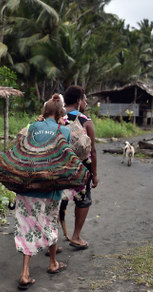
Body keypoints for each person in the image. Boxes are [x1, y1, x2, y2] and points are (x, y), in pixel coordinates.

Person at [15, 94, 71, 290]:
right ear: (61, 113)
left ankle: (24, 273)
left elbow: (22, 148)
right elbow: (66, 159)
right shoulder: (64, 130)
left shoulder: (32, 127)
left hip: (27, 184)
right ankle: (53, 263)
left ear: (45, 111)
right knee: (49, 222)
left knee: (26, 227)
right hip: (51, 186)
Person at [59, 85, 99, 249]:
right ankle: (76, 236)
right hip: (80, 169)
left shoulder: (56, 117)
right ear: (78, 100)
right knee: (83, 200)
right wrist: (95, 174)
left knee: (57, 201)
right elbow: (93, 151)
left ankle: (52, 242)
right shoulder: (85, 120)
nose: (86, 102)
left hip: (58, 167)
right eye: (85, 99)